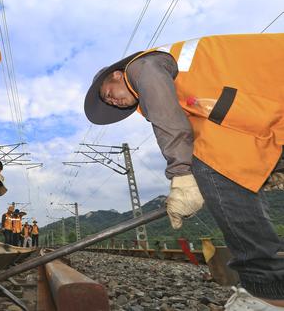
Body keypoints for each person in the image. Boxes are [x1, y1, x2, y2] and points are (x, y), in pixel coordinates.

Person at [84, 33, 284, 310]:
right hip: (272, 113)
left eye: (109, 94)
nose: (112, 102)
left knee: (210, 167)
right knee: (213, 163)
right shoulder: (185, 94)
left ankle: (268, 293)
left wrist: (182, 174)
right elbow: (220, 135)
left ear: (118, 75)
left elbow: (174, 128)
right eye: (110, 103)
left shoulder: (142, 67)